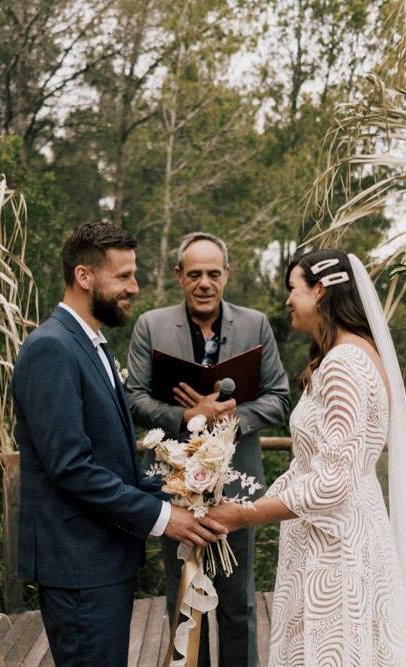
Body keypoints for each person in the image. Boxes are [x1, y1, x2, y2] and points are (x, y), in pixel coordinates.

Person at [12, 223, 226, 666]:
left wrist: (182, 491)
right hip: (78, 566)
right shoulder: (52, 348)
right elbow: (71, 467)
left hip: (102, 560)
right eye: (124, 276)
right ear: (84, 276)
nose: (135, 287)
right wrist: (165, 518)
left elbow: (111, 461)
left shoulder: (92, 345)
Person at [208, 249, 406, 666]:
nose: (286, 300)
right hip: (349, 529)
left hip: (333, 550)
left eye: (292, 289)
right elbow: (317, 466)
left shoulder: (343, 364)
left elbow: (332, 482)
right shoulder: (359, 353)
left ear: (320, 291)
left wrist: (246, 515)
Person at [126, 232, 290, 667]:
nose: (204, 282)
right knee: (184, 602)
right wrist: (186, 417)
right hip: (176, 488)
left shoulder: (255, 324)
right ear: (179, 276)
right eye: (194, 273)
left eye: (213, 274)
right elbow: (133, 398)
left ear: (227, 275)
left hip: (237, 489)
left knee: (239, 604)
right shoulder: (151, 326)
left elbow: (279, 396)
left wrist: (231, 416)